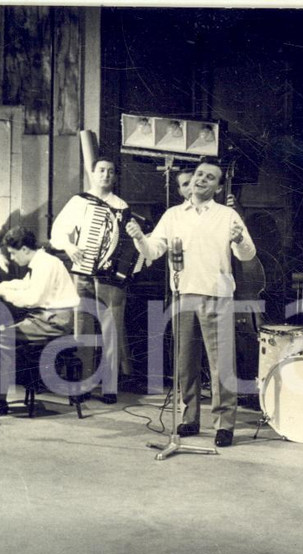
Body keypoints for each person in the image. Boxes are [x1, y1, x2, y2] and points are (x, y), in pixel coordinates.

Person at [126, 160, 257, 448]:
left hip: (217, 295)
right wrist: (139, 240)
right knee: (186, 363)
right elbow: (154, 250)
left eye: (210, 178)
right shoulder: (174, 215)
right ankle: (190, 418)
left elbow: (247, 255)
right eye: (199, 174)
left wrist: (239, 242)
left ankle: (224, 424)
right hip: (183, 293)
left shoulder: (228, 215)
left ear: (219, 187)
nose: (201, 180)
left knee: (221, 364)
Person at [49, 157, 137, 403]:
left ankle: (110, 386)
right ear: (93, 173)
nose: (106, 175)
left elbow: (128, 245)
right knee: (83, 328)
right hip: (83, 273)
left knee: (110, 330)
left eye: (111, 171)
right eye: (101, 170)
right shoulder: (79, 201)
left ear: (115, 176)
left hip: (110, 277)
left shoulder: (122, 206)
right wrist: (69, 247)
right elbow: (57, 232)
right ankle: (84, 384)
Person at [0, 226, 80, 393]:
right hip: (47, 318)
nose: (12, 258)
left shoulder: (45, 265)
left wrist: (4, 294)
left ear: (24, 249)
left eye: (13, 253)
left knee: (0, 336)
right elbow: (25, 284)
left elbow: (33, 299)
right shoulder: (42, 261)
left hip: (54, 321)